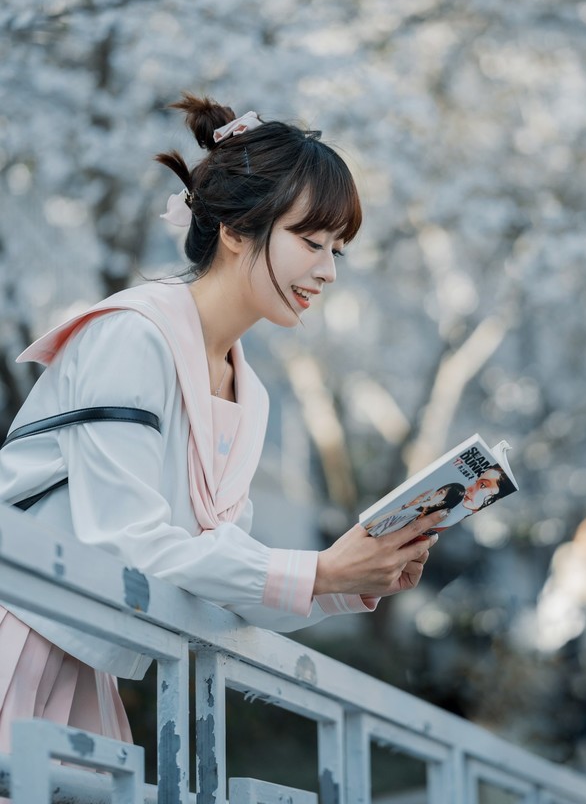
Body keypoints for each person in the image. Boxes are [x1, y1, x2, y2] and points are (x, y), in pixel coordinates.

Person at [0, 95, 444, 749]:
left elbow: (215, 583)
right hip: (19, 627)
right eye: (310, 241)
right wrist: (319, 574)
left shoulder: (247, 392)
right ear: (235, 231)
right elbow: (127, 543)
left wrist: (346, 578)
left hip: (82, 660)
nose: (326, 271)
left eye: (336, 250)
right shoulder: (132, 336)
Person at [364, 482, 465, 537]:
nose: (434, 493)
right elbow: (370, 526)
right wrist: (406, 506)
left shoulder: (427, 532)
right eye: (439, 490)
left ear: (442, 503)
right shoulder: (407, 515)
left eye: (441, 493)